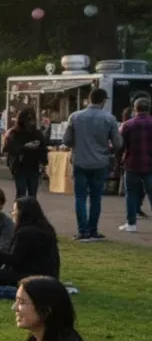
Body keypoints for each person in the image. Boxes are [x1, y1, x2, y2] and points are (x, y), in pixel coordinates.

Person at [63, 88, 122, 241]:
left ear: (89, 99)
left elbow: (67, 141)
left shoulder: (75, 117)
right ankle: (93, 230)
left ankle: (82, 231)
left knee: (80, 197)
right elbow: (117, 143)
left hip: (80, 161)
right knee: (96, 198)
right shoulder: (109, 118)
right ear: (103, 101)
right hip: (100, 162)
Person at [0, 197, 60, 288]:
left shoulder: (25, 233)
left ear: (22, 212)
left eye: (14, 210)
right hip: (50, 277)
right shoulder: (46, 229)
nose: (12, 213)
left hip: (32, 278)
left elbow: (14, 260)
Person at [119, 95, 152, 233]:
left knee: (131, 194)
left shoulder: (127, 125)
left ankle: (131, 223)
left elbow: (120, 144)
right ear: (149, 109)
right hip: (150, 164)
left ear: (135, 109)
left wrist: (119, 159)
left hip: (132, 163)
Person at [3, 106, 48, 199]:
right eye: (28, 119)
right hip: (20, 166)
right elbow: (8, 148)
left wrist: (43, 161)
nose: (31, 122)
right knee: (21, 193)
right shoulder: (14, 132)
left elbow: (43, 148)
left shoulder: (37, 133)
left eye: (32, 119)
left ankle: (30, 212)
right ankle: (19, 212)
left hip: (33, 166)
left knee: (32, 194)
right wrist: (25, 147)